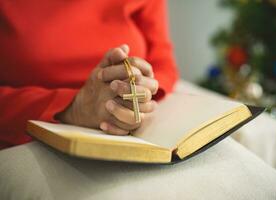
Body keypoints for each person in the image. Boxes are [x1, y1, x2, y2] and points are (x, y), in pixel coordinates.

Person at [0, 0, 178, 149]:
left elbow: (162, 59)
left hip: (135, 123)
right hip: (29, 134)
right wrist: (73, 109)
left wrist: (143, 91)